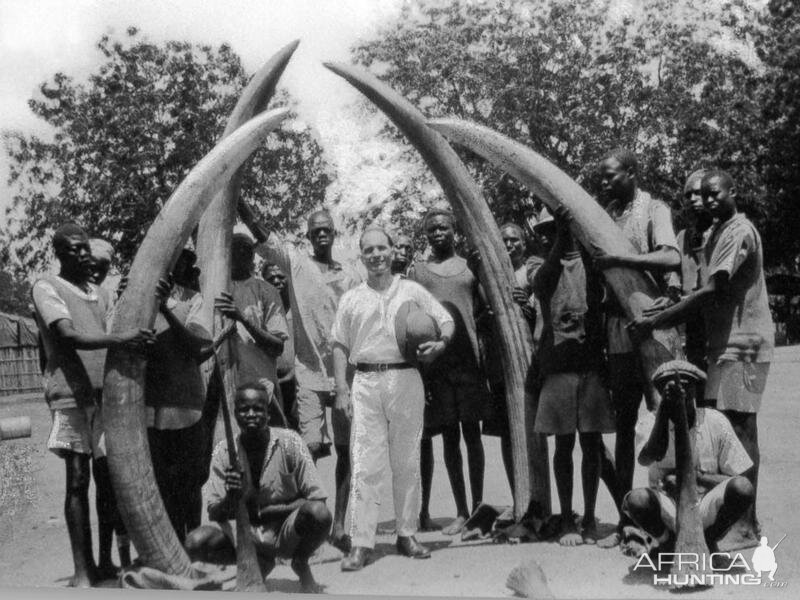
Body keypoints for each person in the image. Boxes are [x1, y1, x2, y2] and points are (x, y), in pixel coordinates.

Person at [629, 169, 774, 548]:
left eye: (714, 194)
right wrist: (670, 305)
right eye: (701, 195)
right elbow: (697, 291)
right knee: (728, 428)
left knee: (741, 430)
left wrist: (659, 320)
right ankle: (731, 519)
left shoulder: (739, 230)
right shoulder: (714, 233)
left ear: (734, 191)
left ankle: (745, 522)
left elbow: (713, 289)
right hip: (722, 344)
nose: (707, 201)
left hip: (743, 343)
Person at [31, 223, 155, 587]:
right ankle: (83, 571)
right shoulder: (46, 288)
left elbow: (112, 324)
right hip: (70, 394)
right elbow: (67, 335)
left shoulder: (100, 294)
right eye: (73, 250)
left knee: (105, 481)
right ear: (58, 254)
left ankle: (104, 562)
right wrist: (123, 338)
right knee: (77, 479)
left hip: (105, 398)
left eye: (85, 248)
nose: (83, 255)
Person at [332, 226, 454, 571]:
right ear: (362, 256)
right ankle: (361, 542)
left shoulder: (412, 290)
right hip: (366, 380)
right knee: (365, 463)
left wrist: (440, 344)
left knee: (407, 460)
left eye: (381, 248)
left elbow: (446, 320)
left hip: (405, 377)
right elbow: (339, 344)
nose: (376, 255)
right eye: (368, 250)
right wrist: (342, 388)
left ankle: (406, 533)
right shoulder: (352, 297)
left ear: (391, 251)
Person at [252, 209, 362, 552]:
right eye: (315, 231)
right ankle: (306, 522)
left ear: (334, 232)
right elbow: (264, 234)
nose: (321, 235)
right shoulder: (296, 264)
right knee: (309, 448)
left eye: (326, 230)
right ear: (308, 235)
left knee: (347, 450)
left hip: (346, 373)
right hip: (310, 373)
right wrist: (239, 195)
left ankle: (339, 526)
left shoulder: (350, 273)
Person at [592, 148, 680, 547]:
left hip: (654, 327)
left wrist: (619, 258)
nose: (604, 182)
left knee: (668, 422)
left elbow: (669, 256)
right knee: (625, 424)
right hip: (618, 329)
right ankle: (628, 520)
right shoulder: (609, 213)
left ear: (632, 172)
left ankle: (674, 520)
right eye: (602, 177)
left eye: (611, 175)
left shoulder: (654, 209)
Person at [185, 382, 331, 593]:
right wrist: (231, 499)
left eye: (258, 409)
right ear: (235, 414)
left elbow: (318, 499)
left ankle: (300, 561)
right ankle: (259, 563)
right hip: (245, 537)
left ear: (268, 414)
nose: (251, 414)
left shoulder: (291, 442)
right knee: (195, 542)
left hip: (285, 533)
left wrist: (263, 512)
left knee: (319, 514)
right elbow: (214, 512)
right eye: (244, 409)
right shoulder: (224, 451)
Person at [531, 212, 613, 546]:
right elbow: (542, 283)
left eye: (561, 231)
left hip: (590, 366)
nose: (556, 236)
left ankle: (590, 517)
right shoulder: (541, 267)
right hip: (558, 368)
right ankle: (567, 518)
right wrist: (561, 237)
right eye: (549, 232)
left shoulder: (592, 266)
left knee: (590, 446)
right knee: (563, 446)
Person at [409, 209, 490, 535]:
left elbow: (484, 309)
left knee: (473, 436)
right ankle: (459, 510)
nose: (438, 233)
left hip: (468, 362)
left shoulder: (470, 268)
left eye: (443, 227)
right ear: (426, 234)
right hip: (437, 368)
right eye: (432, 229)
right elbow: (411, 317)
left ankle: (479, 508)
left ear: (454, 229)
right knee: (451, 439)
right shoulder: (420, 273)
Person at [622, 360, 754, 554]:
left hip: (705, 505)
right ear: (659, 392)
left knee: (743, 488)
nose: (680, 392)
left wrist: (696, 478)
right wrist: (664, 412)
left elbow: (737, 479)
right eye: (671, 388)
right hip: (669, 508)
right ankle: (666, 541)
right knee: (637, 499)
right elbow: (647, 458)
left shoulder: (714, 421)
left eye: (686, 387)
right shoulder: (649, 421)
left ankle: (708, 540)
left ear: (695, 390)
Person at [146, 249, 216, 542]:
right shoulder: (139, 298)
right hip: (150, 408)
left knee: (190, 483)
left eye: (185, 261)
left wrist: (164, 310)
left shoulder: (194, 300)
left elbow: (197, 347)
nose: (183, 266)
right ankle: (174, 550)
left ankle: (193, 547)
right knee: (162, 485)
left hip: (187, 406)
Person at [214, 233, 288, 393]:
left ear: (252, 256)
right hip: (221, 386)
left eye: (245, 250)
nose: (240, 254)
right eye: (235, 249)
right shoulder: (215, 287)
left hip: (259, 386)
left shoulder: (267, 291)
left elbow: (277, 347)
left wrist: (243, 319)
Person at [674, 169, 714, 374]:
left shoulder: (727, 232)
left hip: (723, 332)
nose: (692, 199)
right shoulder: (682, 238)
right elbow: (674, 284)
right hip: (694, 335)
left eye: (697, 193)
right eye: (688, 195)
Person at [261, 261, 298, 430]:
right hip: (272, 382)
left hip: (298, 383)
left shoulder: (299, 311)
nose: (276, 281)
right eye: (270, 278)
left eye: (280, 276)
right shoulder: (262, 311)